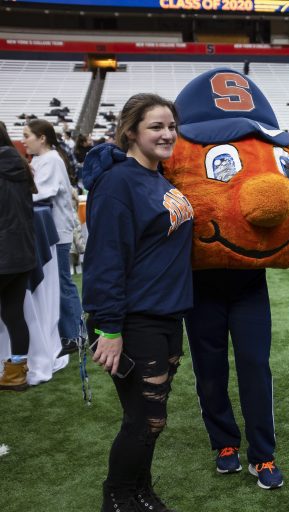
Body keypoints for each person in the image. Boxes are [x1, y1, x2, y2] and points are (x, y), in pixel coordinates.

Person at [81, 93, 194, 512]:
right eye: (156, 127)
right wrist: (109, 329)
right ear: (131, 132)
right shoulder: (118, 182)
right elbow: (107, 258)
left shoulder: (158, 178)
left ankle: (140, 491)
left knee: (152, 420)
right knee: (145, 418)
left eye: (171, 126)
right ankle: (118, 495)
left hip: (166, 315)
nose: (167, 135)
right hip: (134, 320)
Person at [23, 119, 83, 356]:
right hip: (49, 230)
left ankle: (75, 335)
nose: (24, 140)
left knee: (61, 282)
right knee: (56, 282)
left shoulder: (52, 160)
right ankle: (67, 333)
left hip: (57, 231)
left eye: (27, 135)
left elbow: (44, 193)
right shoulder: (41, 159)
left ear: (42, 138)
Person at [0, 121, 37, 391]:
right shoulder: (20, 166)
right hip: (22, 252)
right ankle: (16, 374)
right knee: (13, 313)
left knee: (13, 313)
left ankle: (15, 374)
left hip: (5, 254)